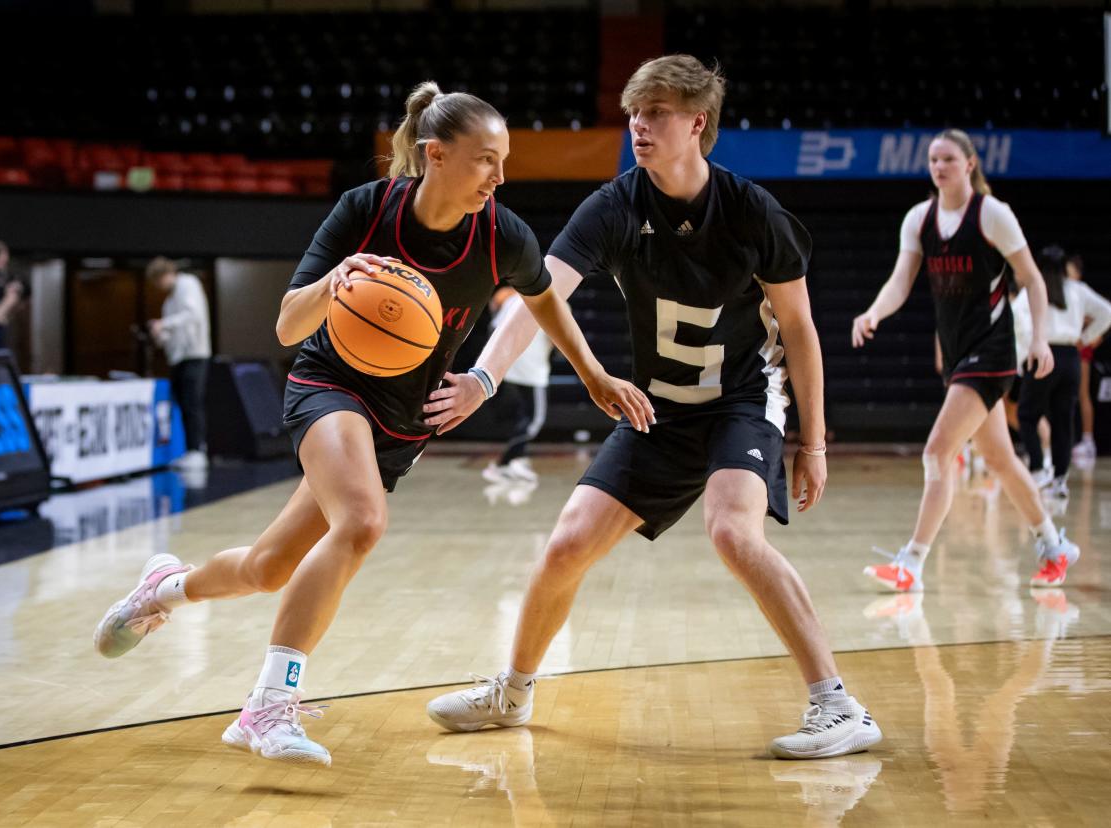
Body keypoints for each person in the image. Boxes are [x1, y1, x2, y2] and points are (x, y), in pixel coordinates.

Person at [94, 82, 651, 767]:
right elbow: (288, 323)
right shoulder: (367, 209)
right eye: (485, 160)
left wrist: (579, 375)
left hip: (402, 424)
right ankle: (267, 706)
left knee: (270, 568)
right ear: (435, 155)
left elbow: (544, 302)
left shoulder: (503, 233)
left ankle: (166, 589)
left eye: (504, 161)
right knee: (362, 522)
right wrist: (336, 282)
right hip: (329, 386)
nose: (500, 177)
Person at [424, 55, 882, 760]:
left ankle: (838, 705)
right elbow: (538, 297)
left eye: (658, 112)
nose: (640, 125)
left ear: (698, 122)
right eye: (636, 112)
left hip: (740, 399)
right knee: (567, 544)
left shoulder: (752, 211)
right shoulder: (613, 206)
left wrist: (813, 443)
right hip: (657, 409)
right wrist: (483, 379)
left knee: (733, 532)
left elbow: (800, 330)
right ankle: (512, 692)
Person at [854, 129, 1080, 591]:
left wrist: (1038, 340)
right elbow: (901, 281)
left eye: (948, 159)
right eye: (933, 160)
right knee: (999, 457)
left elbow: (1034, 281)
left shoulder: (992, 215)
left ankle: (911, 563)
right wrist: (874, 312)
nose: (939, 167)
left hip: (993, 353)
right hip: (959, 354)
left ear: (970, 165)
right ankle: (1054, 546)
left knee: (937, 452)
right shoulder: (920, 219)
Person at [1012, 245, 1111, 498]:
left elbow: (1017, 319)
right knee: (1063, 421)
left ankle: (1037, 470)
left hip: (1042, 353)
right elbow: (1107, 312)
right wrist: (1085, 338)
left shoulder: (1034, 290)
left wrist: (1023, 356)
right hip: (1070, 358)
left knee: (1026, 415)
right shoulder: (1077, 290)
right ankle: (1059, 481)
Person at [481, 285, 553, 484]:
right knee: (534, 420)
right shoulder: (552, 299)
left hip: (512, 362)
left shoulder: (511, 300)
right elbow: (557, 338)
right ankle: (504, 463)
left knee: (522, 415)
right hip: (532, 366)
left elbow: (493, 329)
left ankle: (516, 461)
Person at [147, 257, 212, 471]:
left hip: (194, 354)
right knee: (182, 403)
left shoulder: (187, 284)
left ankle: (198, 450)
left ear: (165, 274)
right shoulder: (169, 301)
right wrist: (161, 334)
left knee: (192, 403)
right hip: (178, 358)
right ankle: (189, 450)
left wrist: (164, 324)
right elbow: (173, 331)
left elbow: (192, 315)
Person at [1067, 255, 1102, 461]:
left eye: (1070, 271)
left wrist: (1089, 337)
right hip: (1064, 348)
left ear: (1078, 274)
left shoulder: (1081, 292)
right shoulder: (1063, 291)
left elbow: (1102, 314)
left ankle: (1088, 441)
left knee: (1083, 394)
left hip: (1079, 349)